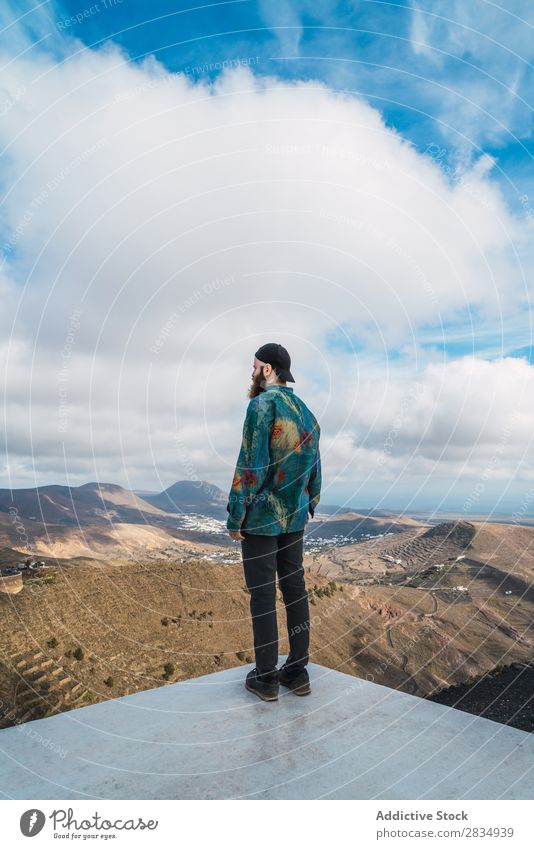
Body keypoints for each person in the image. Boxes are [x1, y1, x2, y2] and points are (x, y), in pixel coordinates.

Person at [226, 342, 321, 701]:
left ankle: (265, 678)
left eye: (254, 366)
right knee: (295, 590)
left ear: (268, 369)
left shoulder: (261, 406)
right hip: (294, 517)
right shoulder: (307, 413)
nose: (251, 372)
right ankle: (297, 672)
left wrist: (236, 516)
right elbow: (316, 467)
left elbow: (251, 466)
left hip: (263, 519)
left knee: (263, 596)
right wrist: (310, 500)